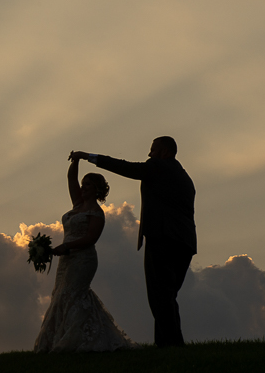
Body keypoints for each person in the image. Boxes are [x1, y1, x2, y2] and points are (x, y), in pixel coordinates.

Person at [71, 136, 196, 347]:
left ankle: (172, 345)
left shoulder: (158, 166)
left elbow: (126, 168)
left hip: (162, 238)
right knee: (167, 295)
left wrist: (89, 157)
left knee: (160, 296)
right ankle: (167, 344)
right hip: (185, 243)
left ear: (164, 152)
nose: (149, 155)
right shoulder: (185, 178)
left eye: (153, 150)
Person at [33, 153, 136, 353]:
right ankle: (58, 339)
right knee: (60, 295)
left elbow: (91, 239)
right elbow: (71, 179)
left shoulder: (97, 213)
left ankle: (76, 341)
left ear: (97, 190)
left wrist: (68, 247)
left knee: (74, 294)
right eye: (83, 183)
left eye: (88, 184)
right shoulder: (77, 205)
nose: (83, 187)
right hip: (66, 259)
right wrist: (77, 160)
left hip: (83, 260)